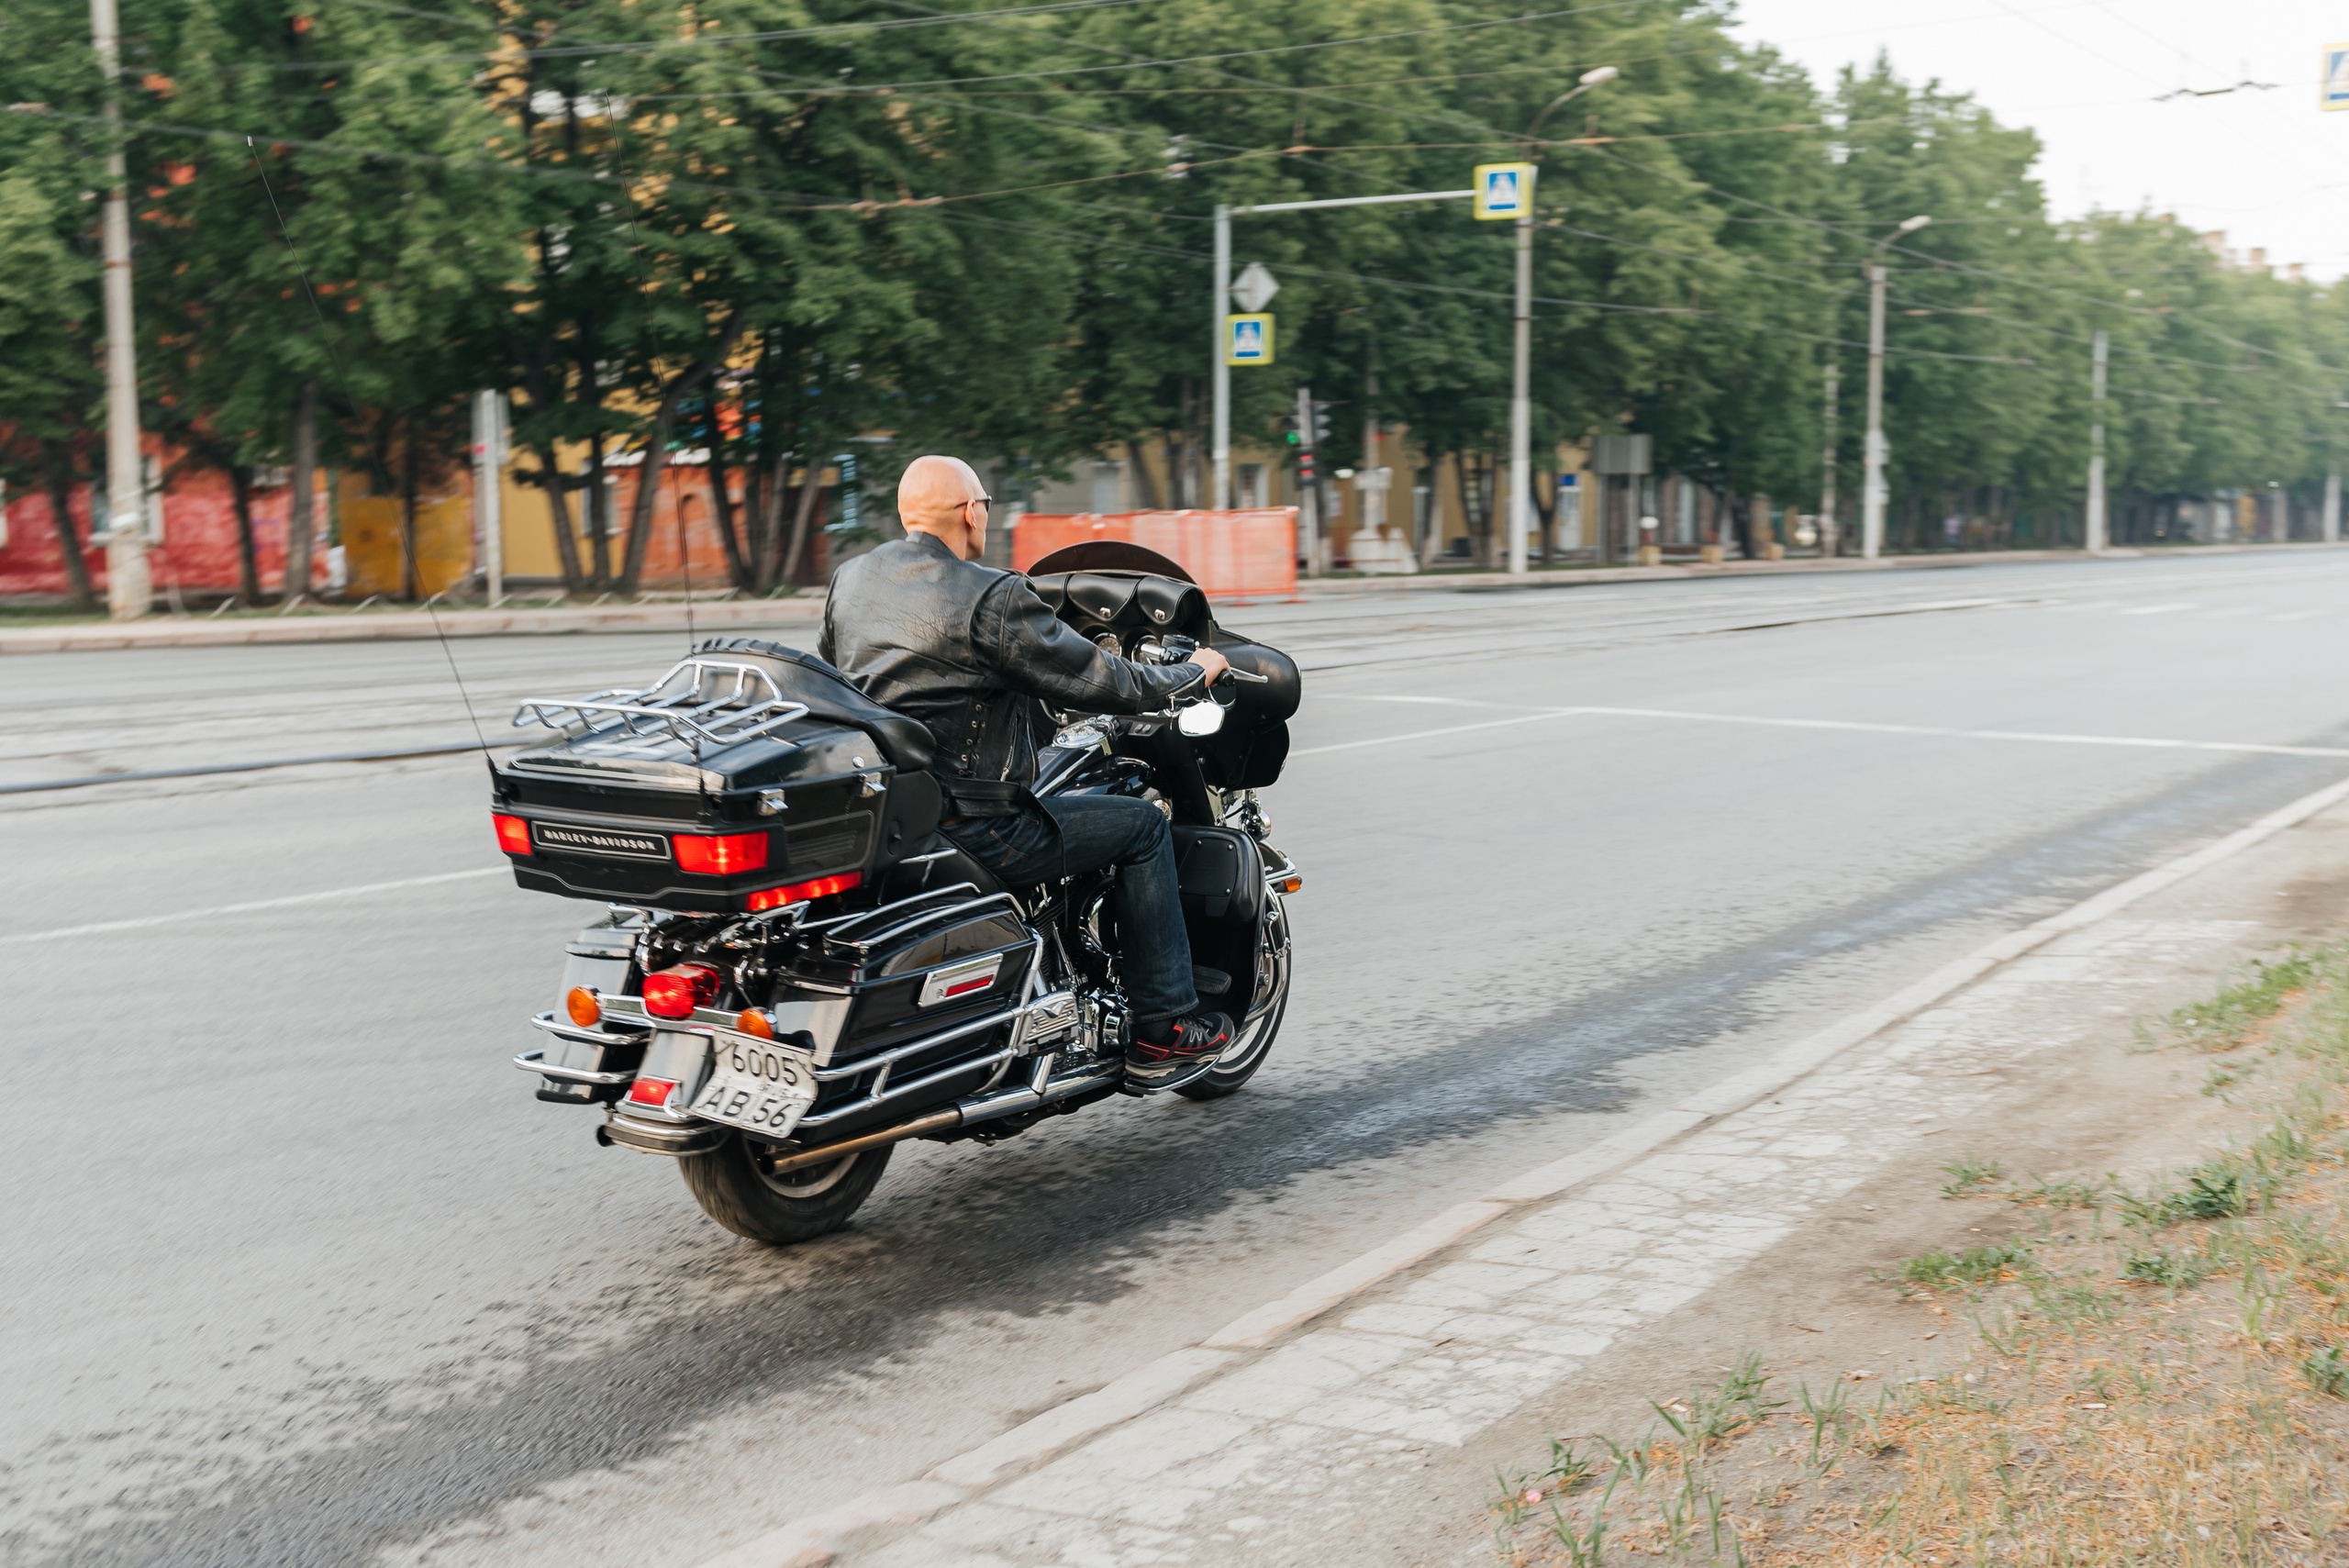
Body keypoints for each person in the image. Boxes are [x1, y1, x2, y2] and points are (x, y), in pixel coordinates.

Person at [818, 454, 1236, 1090]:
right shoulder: (993, 594)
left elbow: (835, 679)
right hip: (979, 822)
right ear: (971, 511)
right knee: (1144, 825)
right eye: (984, 500)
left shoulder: (852, 578)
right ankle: (1165, 1023)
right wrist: (1192, 672)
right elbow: (1104, 678)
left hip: (895, 815)